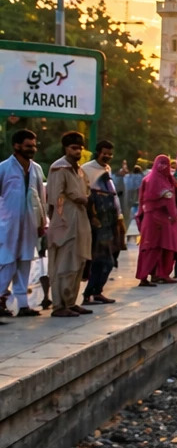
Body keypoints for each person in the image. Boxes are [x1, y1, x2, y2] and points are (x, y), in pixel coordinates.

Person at [0, 129, 46, 320]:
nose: (32, 149)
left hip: (30, 223)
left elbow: (41, 200)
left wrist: (42, 222)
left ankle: (24, 305)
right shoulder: (4, 168)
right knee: (7, 263)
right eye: (28, 145)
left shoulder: (36, 169)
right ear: (17, 146)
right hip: (8, 224)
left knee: (25, 263)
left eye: (34, 145)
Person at [46, 131, 92, 317]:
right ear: (65, 148)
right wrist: (60, 219)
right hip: (65, 220)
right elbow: (55, 197)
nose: (77, 152)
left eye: (79, 148)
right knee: (63, 264)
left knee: (78, 261)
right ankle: (59, 305)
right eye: (74, 148)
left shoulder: (79, 170)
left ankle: (71, 302)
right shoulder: (59, 168)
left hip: (80, 218)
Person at [81, 139, 125, 305]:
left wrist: (119, 218)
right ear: (97, 152)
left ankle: (97, 291)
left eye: (109, 154)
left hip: (110, 220)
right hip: (96, 222)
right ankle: (88, 294)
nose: (107, 156)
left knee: (110, 258)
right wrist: (92, 217)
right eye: (104, 153)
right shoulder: (86, 169)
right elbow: (87, 196)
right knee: (100, 259)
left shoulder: (106, 169)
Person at [135, 154, 177, 286]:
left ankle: (157, 274)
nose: (164, 167)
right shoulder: (158, 181)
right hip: (159, 219)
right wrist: (174, 216)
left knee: (158, 247)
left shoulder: (153, 179)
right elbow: (168, 200)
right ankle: (149, 276)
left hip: (154, 219)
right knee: (154, 248)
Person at [123, 163, 143, 241]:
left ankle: (127, 233)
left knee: (128, 218)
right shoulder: (142, 177)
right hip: (139, 200)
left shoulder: (128, 177)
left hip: (129, 199)